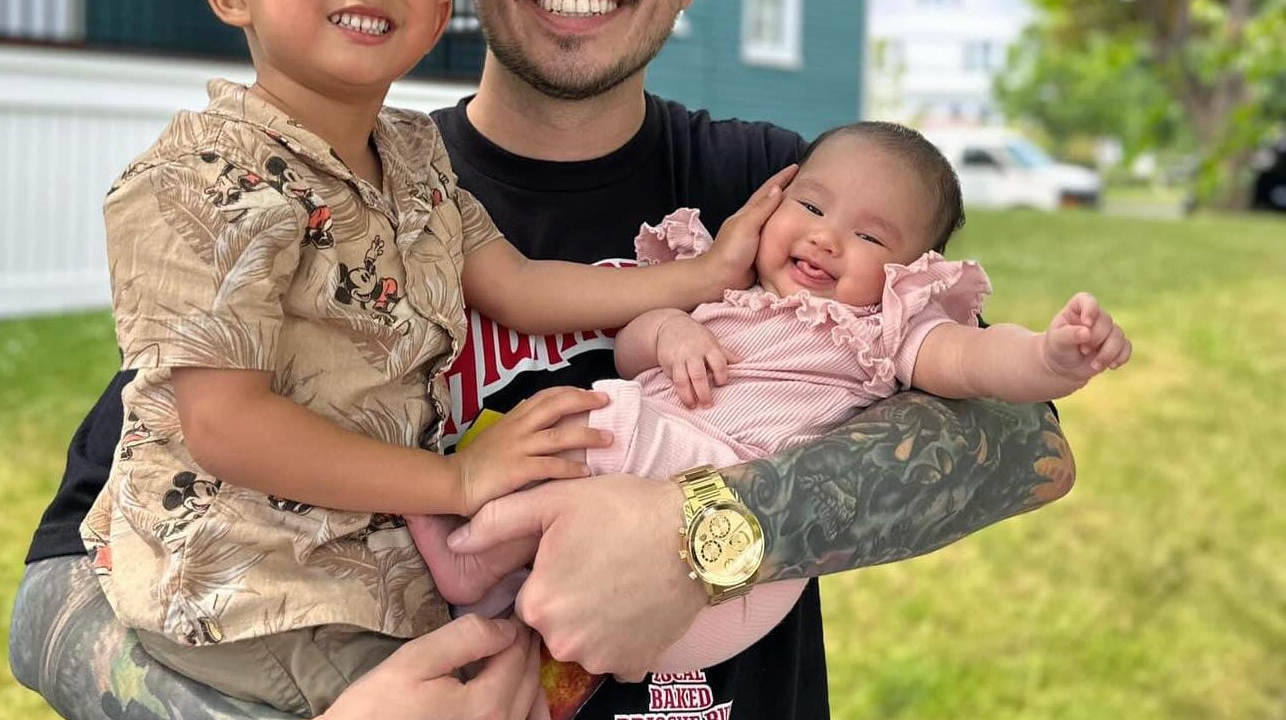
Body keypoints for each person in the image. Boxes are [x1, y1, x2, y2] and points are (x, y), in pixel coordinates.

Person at [11, 0, 1077, 720]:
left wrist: (703, 535)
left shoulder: (772, 199)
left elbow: (1027, 447)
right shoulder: (343, 181)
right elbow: (53, 601)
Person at [82, 0, 784, 720]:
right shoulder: (205, 180)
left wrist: (710, 273)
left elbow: (513, 283)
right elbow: (219, 425)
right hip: (270, 596)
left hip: (367, 593)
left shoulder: (414, 162)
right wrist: (454, 481)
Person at [414, 119, 1130, 674]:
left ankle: (471, 552)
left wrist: (1049, 355)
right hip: (614, 570)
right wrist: (668, 333)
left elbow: (979, 366)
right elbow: (630, 349)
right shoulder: (722, 284)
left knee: (591, 421)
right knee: (579, 420)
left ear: (912, 271)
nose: (825, 238)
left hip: (730, 551)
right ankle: (483, 576)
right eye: (812, 205)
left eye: (870, 235)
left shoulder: (883, 325)